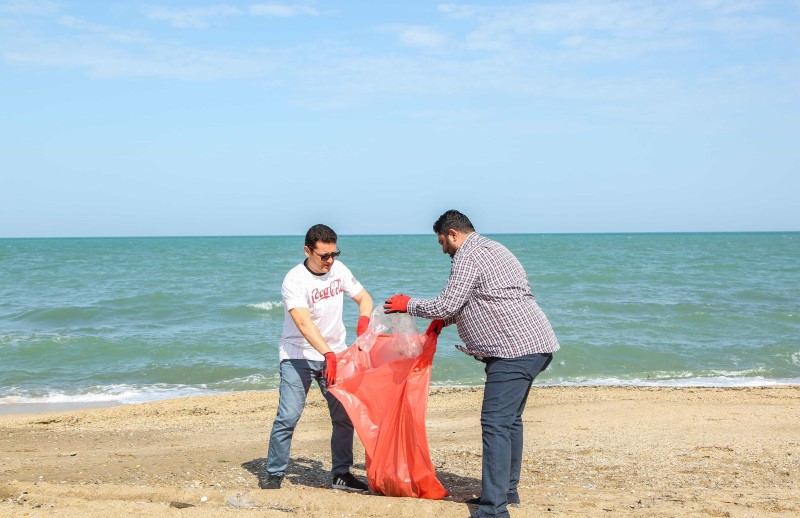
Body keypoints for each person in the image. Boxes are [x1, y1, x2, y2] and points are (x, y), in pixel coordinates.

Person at [384, 210, 560, 518]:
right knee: (509, 422)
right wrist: (443, 321)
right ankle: (506, 492)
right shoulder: (494, 248)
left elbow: (447, 303)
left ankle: (494, 509)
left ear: (453, 234)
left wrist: (407, 304)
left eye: (442, 242)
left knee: (495, 423)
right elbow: (480, 298)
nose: (443, 249)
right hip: (534, 345)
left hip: (513, 351)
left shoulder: (468, 256)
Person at [262, 223, 373, 492]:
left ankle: (341, 474)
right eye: (324, 255)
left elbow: (365, 298)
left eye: (334, 254)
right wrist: (327, 353)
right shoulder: (294, 280)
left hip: (336, 353)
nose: (330, 260)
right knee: (288, 416)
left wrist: (363, 322)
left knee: (344, 416)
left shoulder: (339, 270)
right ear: (307, 251)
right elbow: (303, 323)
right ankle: (274, 474)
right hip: (297, 355)